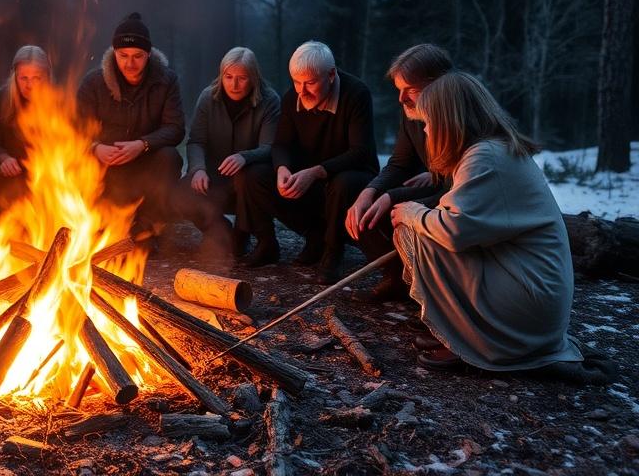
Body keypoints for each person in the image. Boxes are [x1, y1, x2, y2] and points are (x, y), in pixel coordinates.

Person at [390, 71, 584, 373]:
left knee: (412, 233)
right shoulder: (490, 150)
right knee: (419, 229)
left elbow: (454, 231)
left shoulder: (486, 157)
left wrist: (412, 212)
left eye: (428, 122)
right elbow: (466, 220)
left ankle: (468, 342)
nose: (426, 130)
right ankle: (458, 334)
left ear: (447, 120)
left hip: (530, 302)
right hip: (532, 290)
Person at [242, 41, 378, 280]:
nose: (302, 91)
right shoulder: (291, 98)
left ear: (332, 74)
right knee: (255, 175)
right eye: (296, 82)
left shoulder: (356, 94)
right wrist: (282, 168)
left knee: (343, 183)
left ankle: (333, 250)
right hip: (309, 179)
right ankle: (276, 241)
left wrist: (316, 171)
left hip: (350, 176)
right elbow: (281, 144)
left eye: (311, 83)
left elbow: (361, 152)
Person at [344, 43, 453, 302]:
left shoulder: (455, 118)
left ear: (437, 85)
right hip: (435, 187)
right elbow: (399, 163)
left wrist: (392, 198)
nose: (401, 99)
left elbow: (453, 188)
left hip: (454, 203)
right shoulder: (411, 113)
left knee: (390, 207)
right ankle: (396, 278)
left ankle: (438, 299)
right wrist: (369, 192)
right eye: (399, 90)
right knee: (365, 209)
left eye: (410, 90)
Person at [77, 12, 185, 238]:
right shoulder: (94, 83)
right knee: (77, 159)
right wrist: (95, 147)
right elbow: (75, 129)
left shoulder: (165, 81)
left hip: (144, 162)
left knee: (170, 157)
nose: (130, 63)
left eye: (137, 56)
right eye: (123, 55)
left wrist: (142, 144)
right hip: (106, 165)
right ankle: (99, 223)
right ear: (114, 52)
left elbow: (175, 128)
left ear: (148, 54)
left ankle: (147, 227)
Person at [175, 47, 280, 263]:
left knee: (249, 176)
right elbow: (196, 141)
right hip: (214, 179)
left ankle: (247, 233)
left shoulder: (269, 101)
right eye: (228, 77)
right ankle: (219, 230)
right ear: (221, 75)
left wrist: (245, 157)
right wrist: (198, 169)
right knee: (181, 192)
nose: (234, 84)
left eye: (242, 78)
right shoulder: (208, 98)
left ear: (253, 78)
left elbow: (271, 147)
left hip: (249, 183)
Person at [0, 45, 51, 209]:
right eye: (24, 78)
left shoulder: (60, 103)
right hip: (11, 173)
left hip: (46, 174)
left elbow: (70, 145)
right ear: (15, 76)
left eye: (36, 78)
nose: (29, 85)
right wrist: (3, 158)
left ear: (46, 77)